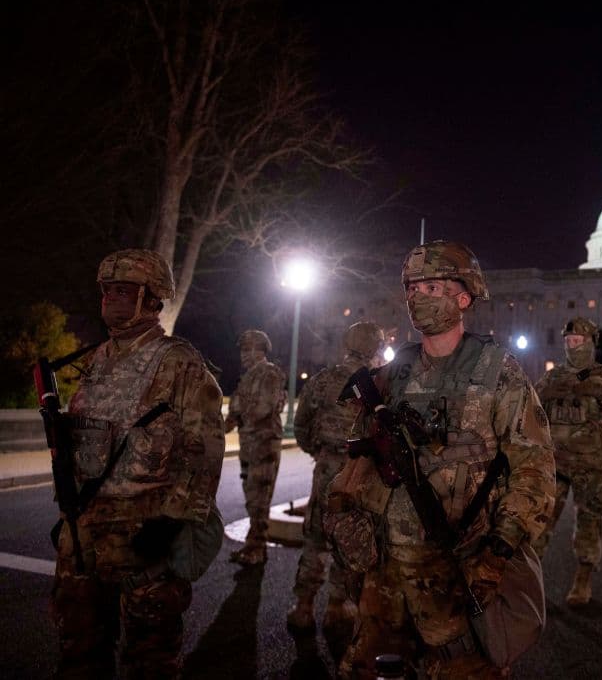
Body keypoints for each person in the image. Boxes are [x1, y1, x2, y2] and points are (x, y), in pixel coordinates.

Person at [324, 240, 555, 679]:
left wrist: (499, 551)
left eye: (431, 287)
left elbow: (533, 470)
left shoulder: (498, 371)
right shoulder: (392, 375)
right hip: (385, 575)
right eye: (412, 288)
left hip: (457, 571)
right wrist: (343, 509)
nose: (417, 296)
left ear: (463, 296)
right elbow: (359, 457)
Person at [53, 249, 225, 677]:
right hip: (86, 533)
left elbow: (205, 450)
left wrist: (173, 520)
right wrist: (70, 505)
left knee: (150, 659)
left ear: (152, 298)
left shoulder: (178, 361)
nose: (111, 299)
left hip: (146, 535)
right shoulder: (96, 360)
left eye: (124, 290)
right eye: (107, 291)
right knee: (78, 650)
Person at [287, 321, 386, 646]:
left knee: (315, 538)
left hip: (326, 467)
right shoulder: (379, 384)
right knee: (349, 540)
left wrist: (319, 452)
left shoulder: (323, 379)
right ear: (375, 348)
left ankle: (302, 606)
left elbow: (301, 425)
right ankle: (336, 606)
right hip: (360, 473)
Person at [532, 316, 602, 607]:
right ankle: (529, 585)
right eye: (568, 341)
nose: (571, 345)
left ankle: (583, 579)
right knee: (537, 524)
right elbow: (530, 412)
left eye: (577, 341)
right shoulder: (552, 378)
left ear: (590, 343)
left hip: (590, 467)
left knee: (589, 523)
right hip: (555, 465)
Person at [225, 329, 286, 565]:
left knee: (259, 498)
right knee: (252, 497)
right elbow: (235, 413)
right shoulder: (248, 377)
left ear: (260, 350)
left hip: (263, 444)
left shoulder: (269, 374)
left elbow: (262, 409)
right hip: (249, 444)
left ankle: (257, 549)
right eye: (242, 350)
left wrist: (238, 416)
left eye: (247, 349)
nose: (243, 355)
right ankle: (253, 545)